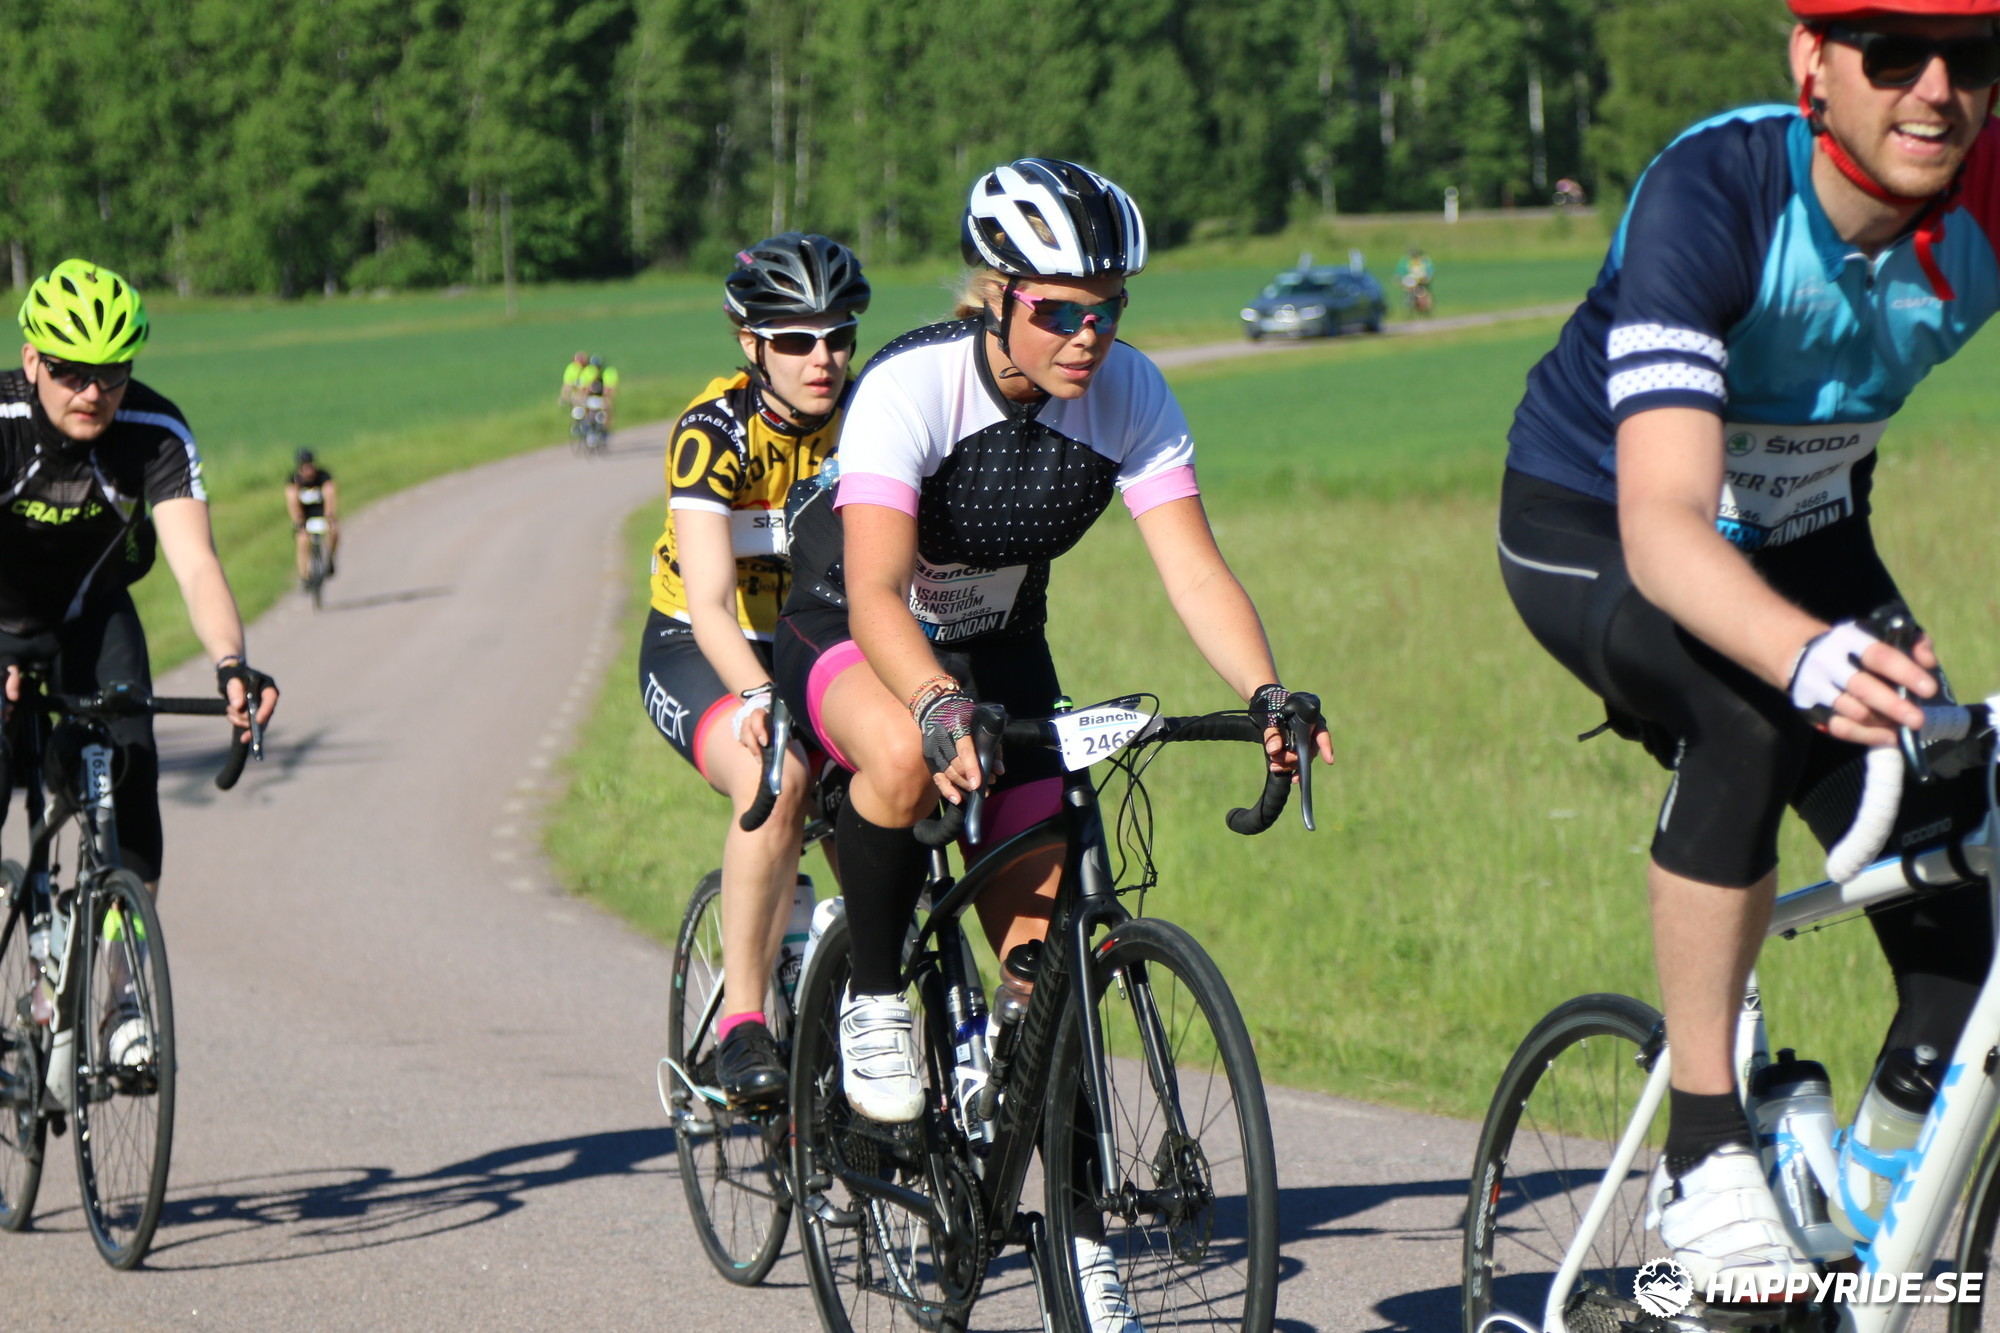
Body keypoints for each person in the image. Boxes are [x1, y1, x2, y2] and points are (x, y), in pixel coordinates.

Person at [1497, 0, 2000, 1288]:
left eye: (1969, 58)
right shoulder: (1714, 192)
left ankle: (1853, 1226)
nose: (1934, 89)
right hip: (1598, 521)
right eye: (1891, 52)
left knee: (1961, 893)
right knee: (1745, 713)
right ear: (1810, 62)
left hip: (1810, 532)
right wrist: (1803, 657)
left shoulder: (1985, 192)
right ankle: (1702, 1151)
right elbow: (1665, 522)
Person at [639, 233, 869, 1105]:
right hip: (701, 645)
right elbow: (706, 604)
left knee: (879, 805)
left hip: (814, 641)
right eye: (796, 339)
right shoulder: (714, 431)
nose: (823, 358)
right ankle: (742, 1022)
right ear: (751, 343)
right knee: (778, 777)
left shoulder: (870, 414)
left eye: (838, 336)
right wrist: (762, 698)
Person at [4, 258, 279, 896]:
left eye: (112, 373)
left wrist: (231, 663)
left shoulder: (155, 433)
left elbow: (196, 562)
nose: (92, 392)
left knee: (132, 766)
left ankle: (124, 955)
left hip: (90, 616)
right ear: (32, 361)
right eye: (70, 371)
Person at [285, 448, 339, 586]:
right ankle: (304, 575)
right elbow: (292, 502)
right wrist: (299, 521)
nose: (308, 470)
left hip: (322, 514)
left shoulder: (323, 476)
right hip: (305, 518)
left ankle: (330, 559)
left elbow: (330, 494)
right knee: (302, 540)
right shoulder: (294, 481)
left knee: (334, 531)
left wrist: (330, 516)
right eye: (304, 467)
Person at [581, 354, 620, 434]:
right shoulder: (588, 372)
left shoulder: (607, 372)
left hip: (602, 396)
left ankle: (606, 429)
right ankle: (585, 424)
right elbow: (585, 387)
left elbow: (609, 389)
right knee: (583, 407)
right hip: (591, 397)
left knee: (607, 407)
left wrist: (607, 398)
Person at [1396, 245, 1434, 314]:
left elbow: (1429, 271)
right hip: (1411, 280)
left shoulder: (1424, 260)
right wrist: (1399, 278)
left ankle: (1424, 304)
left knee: (1424, 291)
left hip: (1421, 280)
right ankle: (1410, 301)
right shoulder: (1405, 260)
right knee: (1409, 288)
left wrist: (1427, 277)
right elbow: (1400, 272)